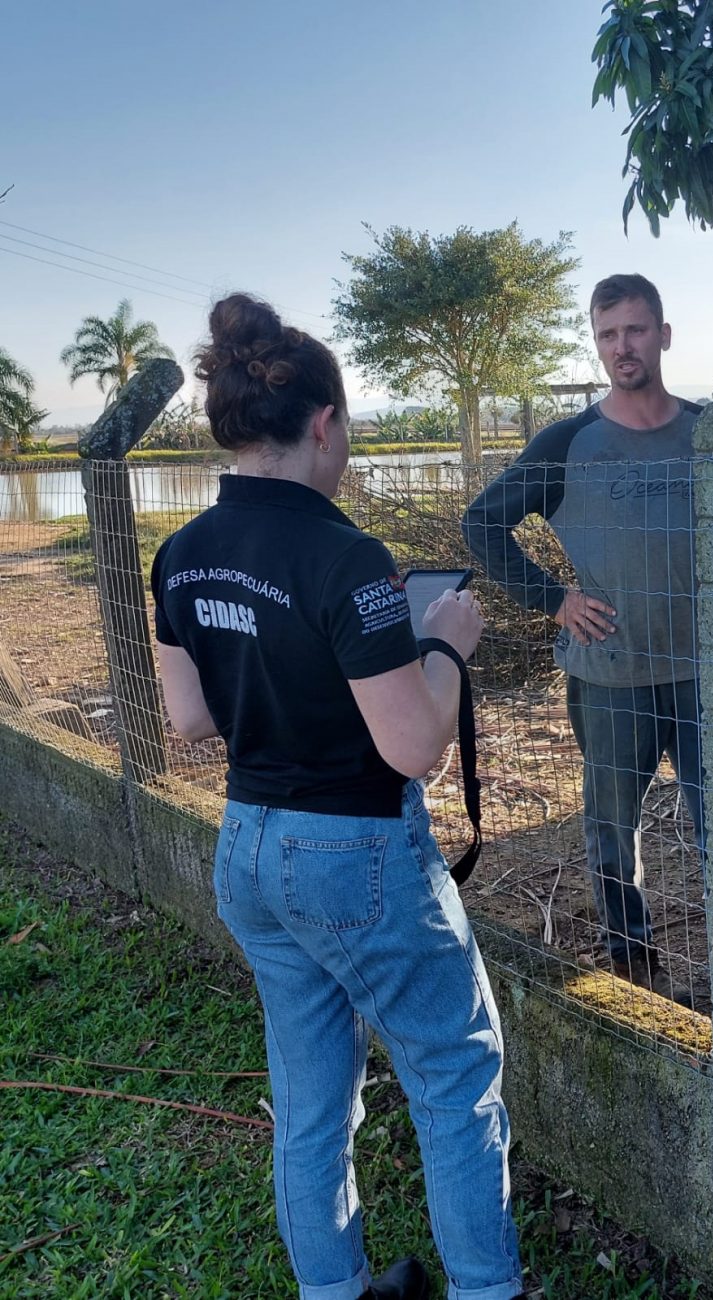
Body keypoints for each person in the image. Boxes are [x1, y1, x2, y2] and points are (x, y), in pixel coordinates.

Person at [150, 293, 524, 1300]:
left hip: (247, 852)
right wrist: (444, 639)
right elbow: (411, 747)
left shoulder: (180, 553)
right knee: (454, 1079)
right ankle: (491, 1290)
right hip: (352, 854)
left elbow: (186, 722)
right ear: (322, 424)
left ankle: (334, 1290)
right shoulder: (347, 557)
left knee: (312, 1099)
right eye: (347, 429)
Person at [464, 274, 713, 1005]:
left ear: (664, 334)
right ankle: (633, 963)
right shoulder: (569, 442)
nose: (623, 346)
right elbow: (482, 524)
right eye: (608, 334)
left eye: (636, 330)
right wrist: (553, 599)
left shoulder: (709, 432)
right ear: (598, 342)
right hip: (612, 677)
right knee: (612, 830)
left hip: (704, 676)